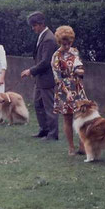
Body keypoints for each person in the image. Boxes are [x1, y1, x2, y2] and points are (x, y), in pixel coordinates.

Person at [21, 11, 59, 141]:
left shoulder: (49, 39)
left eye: (34, 25)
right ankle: (44, 130)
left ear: (41, 24)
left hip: (47, 79)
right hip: (40, 78)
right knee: (38, 104)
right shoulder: (43, 36)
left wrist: (31, 71)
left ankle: (53, 134)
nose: (33, 28)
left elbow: (46, 61)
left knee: (49, 107)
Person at [51, 25, 87, 156]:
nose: (67, 46)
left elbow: (80, 68)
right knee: (67, 118)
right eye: (64, 44)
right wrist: (67, 93)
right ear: (59, 42)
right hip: (64, 89)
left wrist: (80, 71)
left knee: (82, 115)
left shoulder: (75, 51)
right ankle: (71, 147)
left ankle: (83, 145)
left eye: (69, 43)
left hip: (77, 87)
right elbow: (57, 77)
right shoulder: (56, 56)